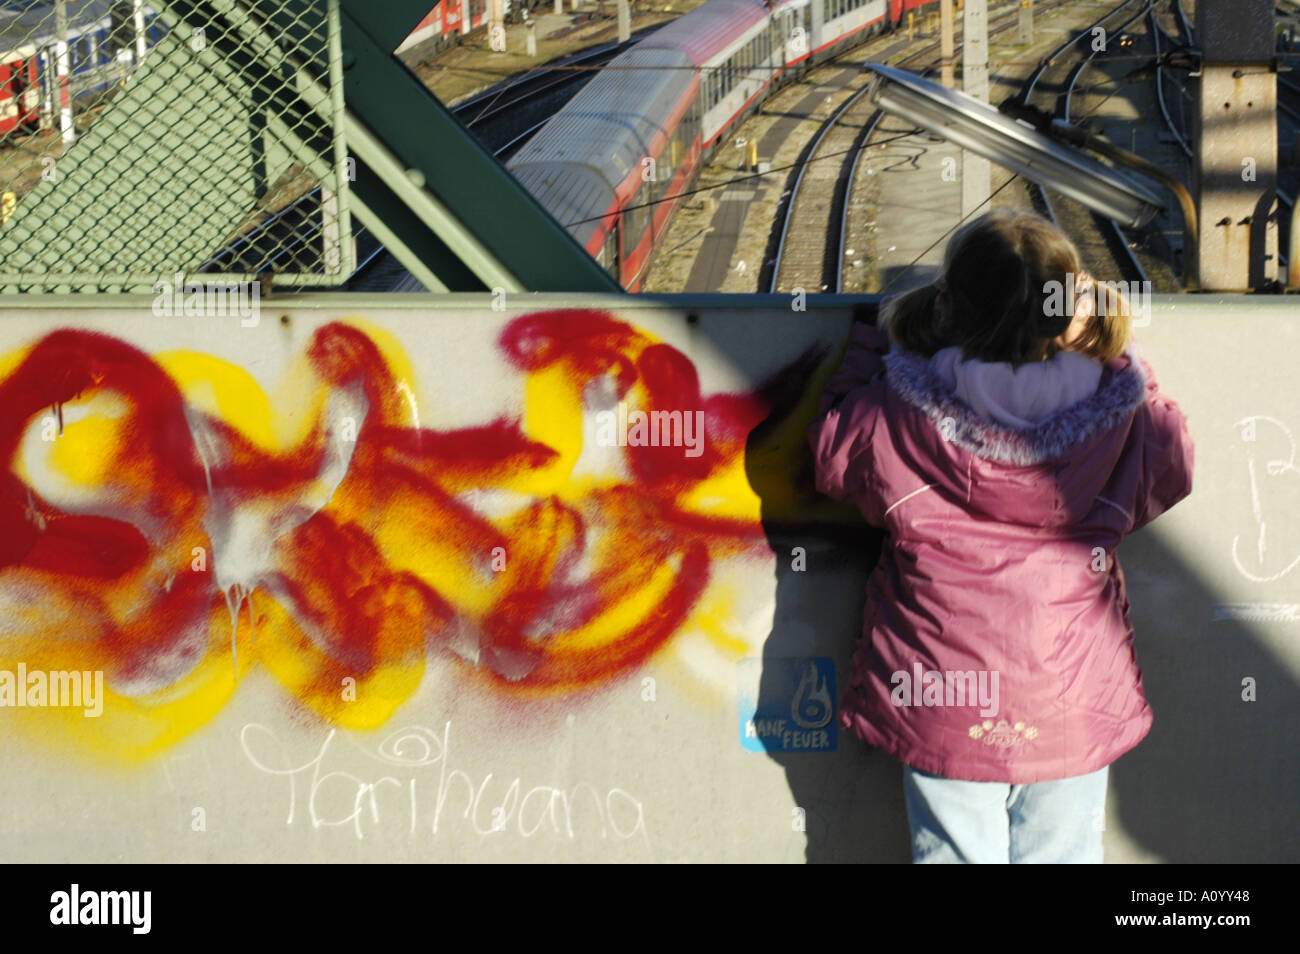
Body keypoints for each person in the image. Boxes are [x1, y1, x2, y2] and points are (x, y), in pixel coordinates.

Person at [808, 210, 1194, 863]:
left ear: (950, 305)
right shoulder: (1114, 413)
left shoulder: (897, 410)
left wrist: (871, 351)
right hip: (1068, 705)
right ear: (1066, 309)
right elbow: (1172, 465)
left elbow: (831, 459)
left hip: (944, 705)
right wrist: (1124, 366)